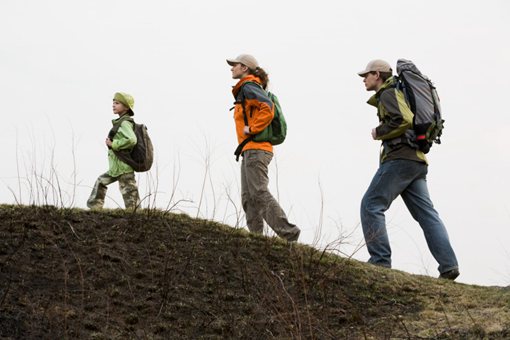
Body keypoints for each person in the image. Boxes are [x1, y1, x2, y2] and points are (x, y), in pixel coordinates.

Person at [357, 60, 459, 280]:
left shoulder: (388, 93)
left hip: (400, 159)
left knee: (371, 205)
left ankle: (380, 261)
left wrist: (379, 131)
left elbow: (403, 119)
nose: (364, 79)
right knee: (427, 215)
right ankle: (449, 265)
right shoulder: (398, 91)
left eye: (366, 75)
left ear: (377, 74)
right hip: (416, 161)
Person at [227, 54, 300, 242]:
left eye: (234, 65)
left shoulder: (249, 86)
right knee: (248, 198)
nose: (231, 68)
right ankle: (256, 239)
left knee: (258, 192)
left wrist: (252, 128)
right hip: (249, 150)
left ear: (245, 68)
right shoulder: (248, 87)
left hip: (256, 149)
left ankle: (288, 233)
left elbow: (267, 107)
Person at [87, 92, 140, 210]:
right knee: (100, 182)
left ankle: (136, 216)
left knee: (130, 192)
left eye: (117, 103)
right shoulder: (121, 122)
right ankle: (94, 208)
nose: (113, 105)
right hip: (116, 167)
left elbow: (132, 140)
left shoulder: (125, 123)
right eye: (113, 102)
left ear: (126, 107)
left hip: (124, 167)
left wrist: (113, 144)